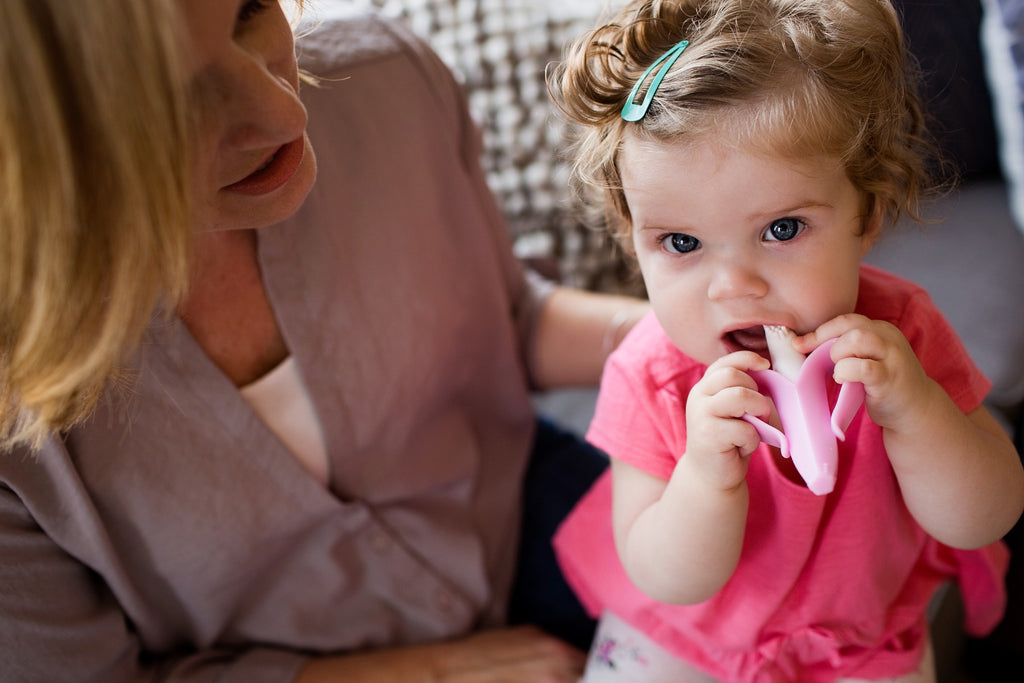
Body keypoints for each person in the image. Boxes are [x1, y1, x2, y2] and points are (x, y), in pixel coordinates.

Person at [0, 1, 650, 680]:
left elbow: (507, 318)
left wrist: (673, 334)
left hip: (518, 508)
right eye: (165, 105)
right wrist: (429, 672)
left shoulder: (386, 80)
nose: (285, 113)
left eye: (250, 12)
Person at [548, 0, 1024, 681]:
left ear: (867, 214)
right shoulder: (652, 373)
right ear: (634, 241)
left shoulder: (902, 335)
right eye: (681, 242)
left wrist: (916, 410)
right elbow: (663, 575)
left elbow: (987, 513)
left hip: (858, 644)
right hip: (686, 644)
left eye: (781, 229)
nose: (734, 286)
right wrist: (706, 476)